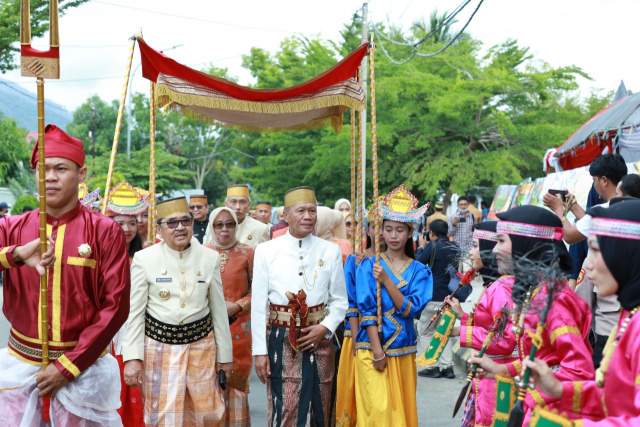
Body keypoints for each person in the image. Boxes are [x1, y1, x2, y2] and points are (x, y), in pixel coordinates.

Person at [0, 124, 130, 425]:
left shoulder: (105, 231)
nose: (49, 177)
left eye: (60, 168)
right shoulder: (11, 228)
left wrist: (69, 365)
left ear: (81, 174)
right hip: (19, 365)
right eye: (42, 169)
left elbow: (116, 305)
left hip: (84, 371)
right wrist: (15, 255)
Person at [469, 205, 594, 424]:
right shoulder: (538, 294)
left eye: (501, 241)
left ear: (525, 245)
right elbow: (543, 360)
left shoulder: (554, 302)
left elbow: (579, 373)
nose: (495, 250)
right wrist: (501, 369)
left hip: (551, 414)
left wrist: (537, 393)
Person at [524, 199, 640, 425]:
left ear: (626, 253)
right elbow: (615, 398)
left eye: (596, 251)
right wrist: (558, 388)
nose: (589, 265)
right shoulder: (631, 317)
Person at [122, 197, 233, 426]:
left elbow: (219, 312)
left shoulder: (209, 257)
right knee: (162, 415)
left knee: (206, 413)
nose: (180, 227)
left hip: (202, 347)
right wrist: (132, 358)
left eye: (185, 220)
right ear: (159, 228)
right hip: (158, 348)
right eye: (172, 223)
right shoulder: (145, 259)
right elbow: (135, 313)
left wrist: (225, 358)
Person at [251, 186, 348, 426]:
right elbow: (257, 305)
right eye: (301, 211)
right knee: (285, 406)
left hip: (319, 336)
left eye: (312, 211)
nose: (308, 216)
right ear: (285, 215)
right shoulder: (266, 250)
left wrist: (324, 328)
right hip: (280, 337)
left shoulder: (331, 250)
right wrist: (260, 352)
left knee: (321, 404)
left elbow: (339, 301)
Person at [354, 184, 433, 427]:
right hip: (371, 347)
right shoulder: (369, 265)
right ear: (381, 231)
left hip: (403, 349)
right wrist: (377, 352)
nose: (393, 235)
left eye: (400, 230)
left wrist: (387, 281)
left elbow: (412, 310)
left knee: (400, 414)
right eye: (388, 229)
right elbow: (366, 311)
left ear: (410, 233)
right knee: (376, 412)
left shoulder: (421, 271)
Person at [544, 154, 627, 370]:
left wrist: (558, 210)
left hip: (609, 313)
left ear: (604, 180)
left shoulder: (602, 213)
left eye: (594, 180)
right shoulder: (623, 208)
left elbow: (571, 236)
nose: (595, 185)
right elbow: (589, 222)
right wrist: (573, 208)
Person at [446, 222, 519, 427]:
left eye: (476, 245)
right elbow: (489, 324)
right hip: (489, 375)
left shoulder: (502, 288)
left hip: (498, 377)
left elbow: (505, 340)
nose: (471, 252)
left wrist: (460, 331)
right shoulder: (494, 285)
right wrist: (461, 315)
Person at [204, 207, 254, 427]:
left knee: (233, 386)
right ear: (211, 227)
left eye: (230, 224)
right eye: (218, 224)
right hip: (205, 330)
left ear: (236, 225)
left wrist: (238, 306)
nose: (224, 229)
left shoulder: (248, 253)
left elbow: (260, 289)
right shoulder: (201, 252)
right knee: (206, 384)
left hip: (238, 329)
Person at [335, 210, 385, 427]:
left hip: (391, 340)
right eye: (377, 227)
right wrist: (356, 339)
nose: (382, 233)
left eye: (389, 227)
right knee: (357, 395)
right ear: (367, 230)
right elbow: (352, 304)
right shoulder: (356, 262)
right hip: (359, 336)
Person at [104, 181, 148, 426]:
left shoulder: (145, 257)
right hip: (107, 330)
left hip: (135, 330)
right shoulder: (99, 256)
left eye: (132, 223)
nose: (127, 229)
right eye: (120, 223)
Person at [415, 219, 459, 379]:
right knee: (444, 331)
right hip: (452, 297)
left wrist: (420, 247)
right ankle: (447, 367)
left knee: (426, 331)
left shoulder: (432, 246)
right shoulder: (455, 247)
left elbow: (418, 264)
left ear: (431, 233)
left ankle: (431, 365)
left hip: (433, 296)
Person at [207, 184, 269, 249]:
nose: (238, 207)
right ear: (226, 204)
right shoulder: (213, 226)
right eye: (233, 202)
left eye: (242, 202)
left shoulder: (261, 229)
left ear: (249, 204)